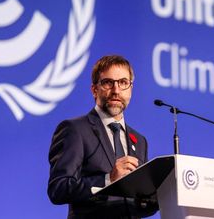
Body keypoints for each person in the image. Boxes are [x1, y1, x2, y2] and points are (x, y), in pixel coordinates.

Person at [48, 55, 158, 219]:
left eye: (123, 83)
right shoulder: (75, 129)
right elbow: (58, 188)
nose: (116, 91)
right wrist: (108, 179)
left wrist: (157, 197)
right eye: (108, 82)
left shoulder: (139, 141)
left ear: (131, 89)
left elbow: (137, 205)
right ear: (94, 90)